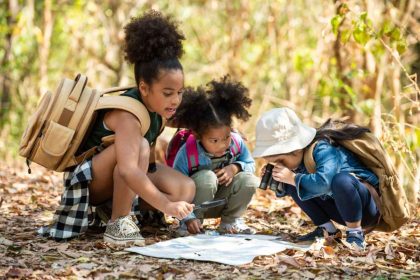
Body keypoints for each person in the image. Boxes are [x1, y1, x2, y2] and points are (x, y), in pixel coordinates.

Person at [40, 10, 195, 245]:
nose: (175, 100)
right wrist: (167, 205)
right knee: (140, 147)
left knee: (185, 187)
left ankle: (139, 214)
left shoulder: (160, 108)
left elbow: (196, 122)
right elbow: (128, 171)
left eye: (180, 93)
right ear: (144, 88)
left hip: (125, 170)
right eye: (168, 93)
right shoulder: (128, 115)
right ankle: (118, 222)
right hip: (89, 182)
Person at [252, 107, 381, 249]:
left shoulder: (323, 149)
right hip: (338, 208)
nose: (278, 165)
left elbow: (325, 183)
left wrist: (293, 178)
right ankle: (328, 230)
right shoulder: (295, 162)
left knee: (340, 181)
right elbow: (291, 190)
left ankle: (355, 234)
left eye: (280, 160)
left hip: (364, 210)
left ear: (296, 149)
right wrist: (279, 180)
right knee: (294, 183)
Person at [172, 76, 259, 235]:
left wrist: (235, 167)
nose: (223, 144)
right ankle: (192, 224)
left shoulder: (236, 143)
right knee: (207, 178)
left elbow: (251, 165)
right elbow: (176, 187)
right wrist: (188, 217)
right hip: (194, 206)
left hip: (222, 202)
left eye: (226, 137)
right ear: (198, 135)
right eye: (214, 140)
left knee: (250, 180)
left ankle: (230, 222)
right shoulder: (187, 153)